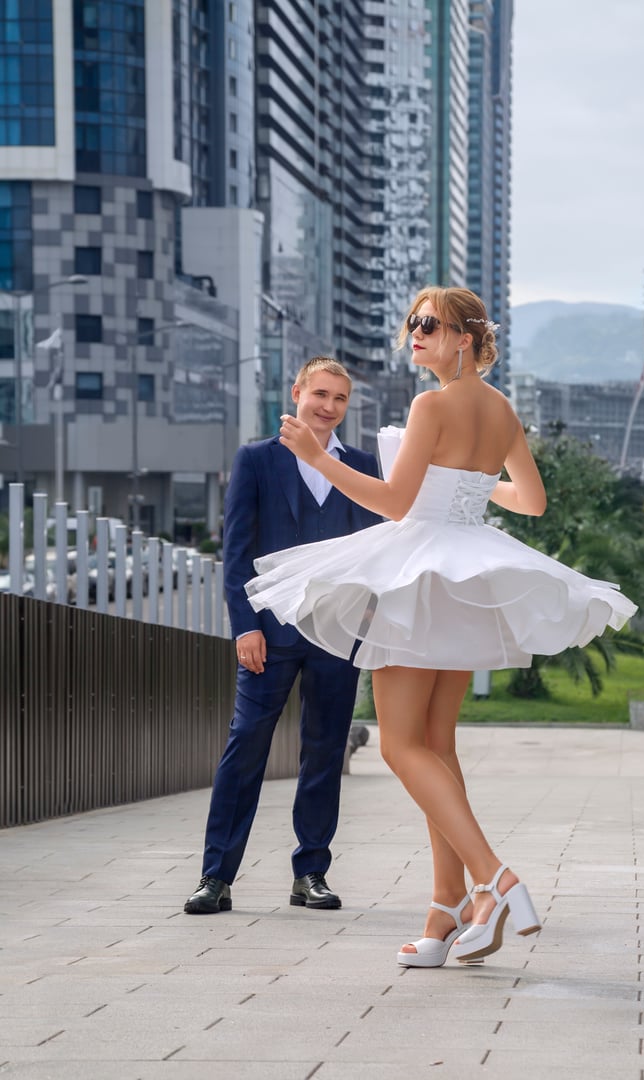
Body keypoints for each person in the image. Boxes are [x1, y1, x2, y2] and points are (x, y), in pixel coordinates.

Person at [246, 287, 637, 964]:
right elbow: (532, 500)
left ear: (465, 338)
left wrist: (317, 457)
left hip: (423, 572)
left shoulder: (432, 405)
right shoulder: (502, 409)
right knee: (437, 745)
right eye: (413, 322)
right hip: (465, 572)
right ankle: (445, 909)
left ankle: (494, 880)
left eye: (430, 323)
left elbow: (395, 504)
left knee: (400, 745)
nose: (416, 332)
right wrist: (468, 487)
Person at [184, 357, 381, 915]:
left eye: (339, 398)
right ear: (297, 392)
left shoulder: (361, 466)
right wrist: (245, 625)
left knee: (324, 751)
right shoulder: (257, 459)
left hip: (336, 635)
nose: (329, 406)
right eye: (320, 394)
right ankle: (216, 877)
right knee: (245, 745)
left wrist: (367, 620)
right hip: (269, 633)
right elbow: (237, 553)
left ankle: (310, 873)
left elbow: (375, 550)